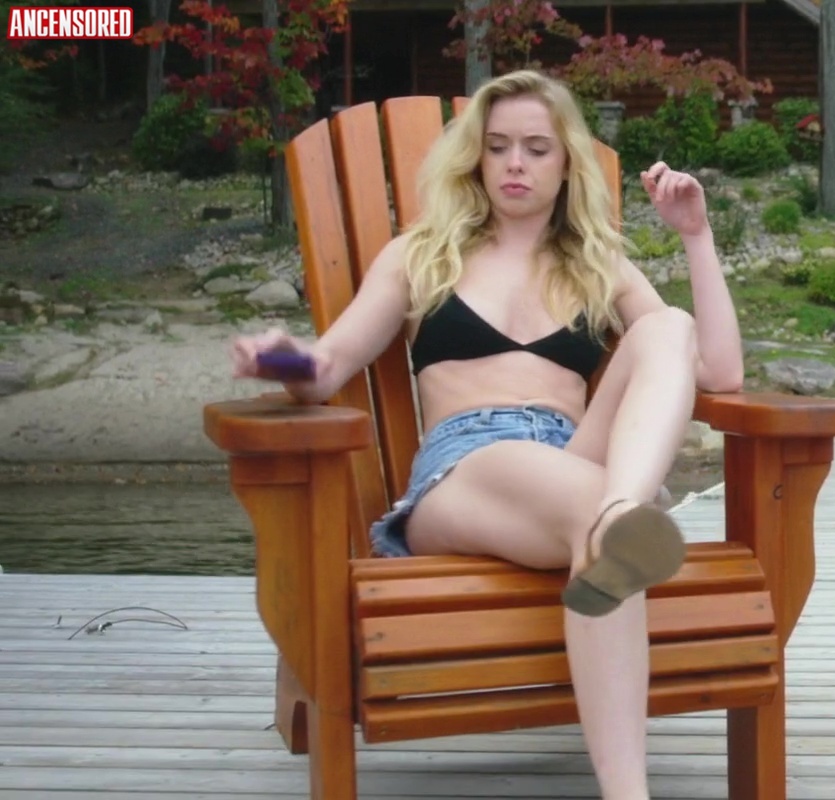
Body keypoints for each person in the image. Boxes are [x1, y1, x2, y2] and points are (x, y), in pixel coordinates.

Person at [227, 69, 744, 800]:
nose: (514, 163)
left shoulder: (598, 264)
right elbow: (328, 366)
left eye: (536, 147)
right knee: (602, 521)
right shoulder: (421, 255)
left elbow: (718, 372)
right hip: (464, 469)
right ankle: (621, 522)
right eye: (497, 146)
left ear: (566, 163)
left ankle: (620, 517)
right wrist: (281, 360)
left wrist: (695, 235)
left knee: (669, 328)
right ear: (474, 157)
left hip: (573, 462)